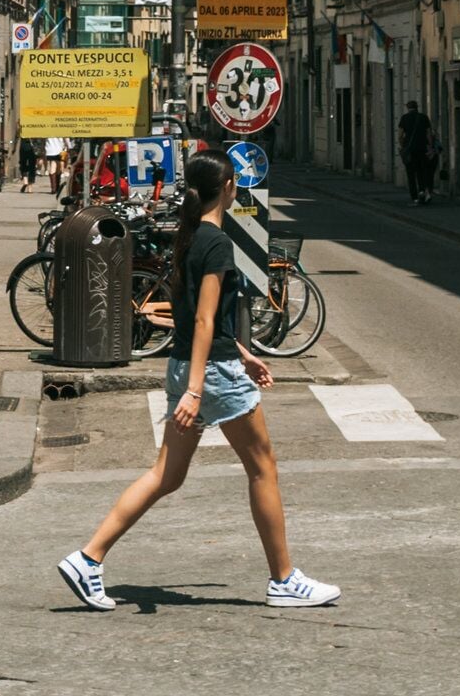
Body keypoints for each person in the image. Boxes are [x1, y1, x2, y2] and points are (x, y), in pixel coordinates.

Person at [57, 153, 336, 612]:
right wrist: (200, 387)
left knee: (166, 475)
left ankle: (88, 558)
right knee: (263, 467)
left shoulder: (190, 238)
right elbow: (205, 320)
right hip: (210, 375)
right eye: (235, 180)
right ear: (227, 186)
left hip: (189, 365)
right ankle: (284, 579)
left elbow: (195, 319)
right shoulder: (217, 244)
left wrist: (242, 353)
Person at [396, 100, 438, 206]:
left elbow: (400, 135)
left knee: (410, 173)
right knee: (421, 171)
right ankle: (422, 191)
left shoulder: (404, 118)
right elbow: (429, 134)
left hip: (410, 151)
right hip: (422, 149)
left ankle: (414, 197)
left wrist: (403, 146)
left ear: (407, 107)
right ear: (417, 107)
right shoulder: (423, 117)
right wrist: (430, 146)